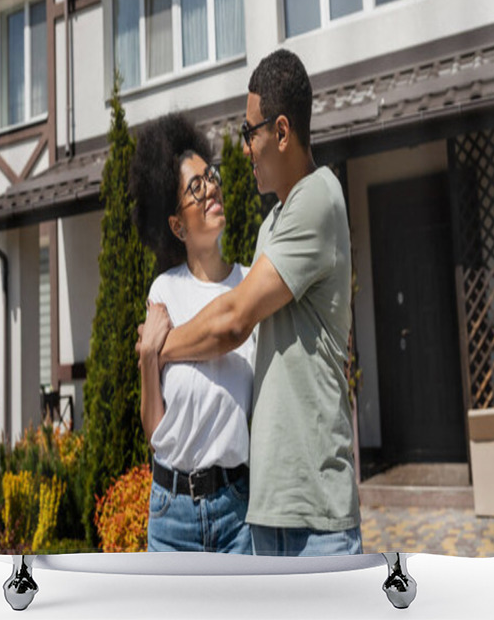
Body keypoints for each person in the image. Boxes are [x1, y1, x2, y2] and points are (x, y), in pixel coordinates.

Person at [148, 49, 362, 556]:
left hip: (315, 514)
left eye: (250, 133)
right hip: (265, 509)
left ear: (281, 132)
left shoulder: (319, 196)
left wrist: (160, 348)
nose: (244, 149)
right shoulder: (271, 225)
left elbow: (234, 320)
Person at [130, 112, 254, 555]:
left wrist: (164, 347)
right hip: (171, 513)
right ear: (177, 226)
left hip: (237, 508)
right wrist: (149, 357)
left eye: (211, 177)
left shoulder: (248, 285)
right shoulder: (164, 292)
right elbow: (153, 429)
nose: (211, 189)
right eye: (194, 188)